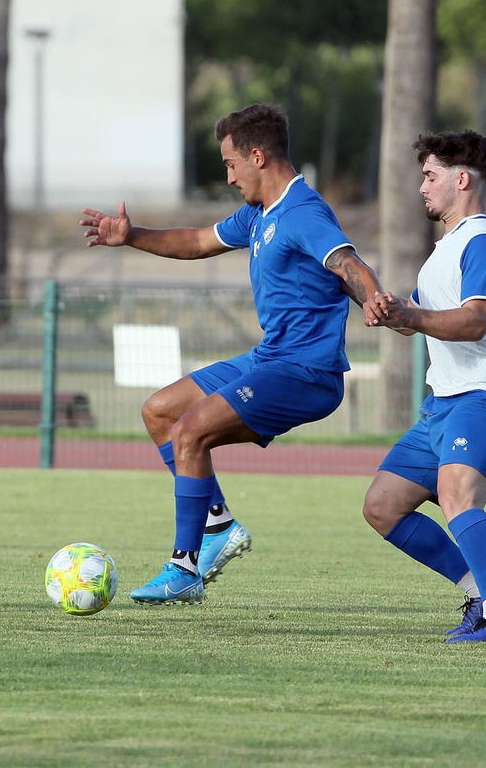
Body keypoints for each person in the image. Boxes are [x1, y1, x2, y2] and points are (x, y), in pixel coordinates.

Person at [79, 103, 385, 605]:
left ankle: (184, 569)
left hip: (306, 371)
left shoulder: (302, 211)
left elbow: (346, 261)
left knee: (190, 432)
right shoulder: (259, 214)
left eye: (230, 164)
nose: (228, 177)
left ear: (257, 156)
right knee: (160, 412)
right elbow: (198, 241)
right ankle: (219, 525)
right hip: (269, 359)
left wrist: (374, 299)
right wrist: (131, 236)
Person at [362, 131, 486, 643]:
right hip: (444, 404)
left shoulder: (484, 242)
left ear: (462, 180)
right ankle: (480, 590)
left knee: (458, 494)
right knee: (383, 506)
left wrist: (412, 316)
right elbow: (420, 319)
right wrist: (389, 311)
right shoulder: (444, 251)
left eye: (430, 176)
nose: (422, 187)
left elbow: (475, 321)